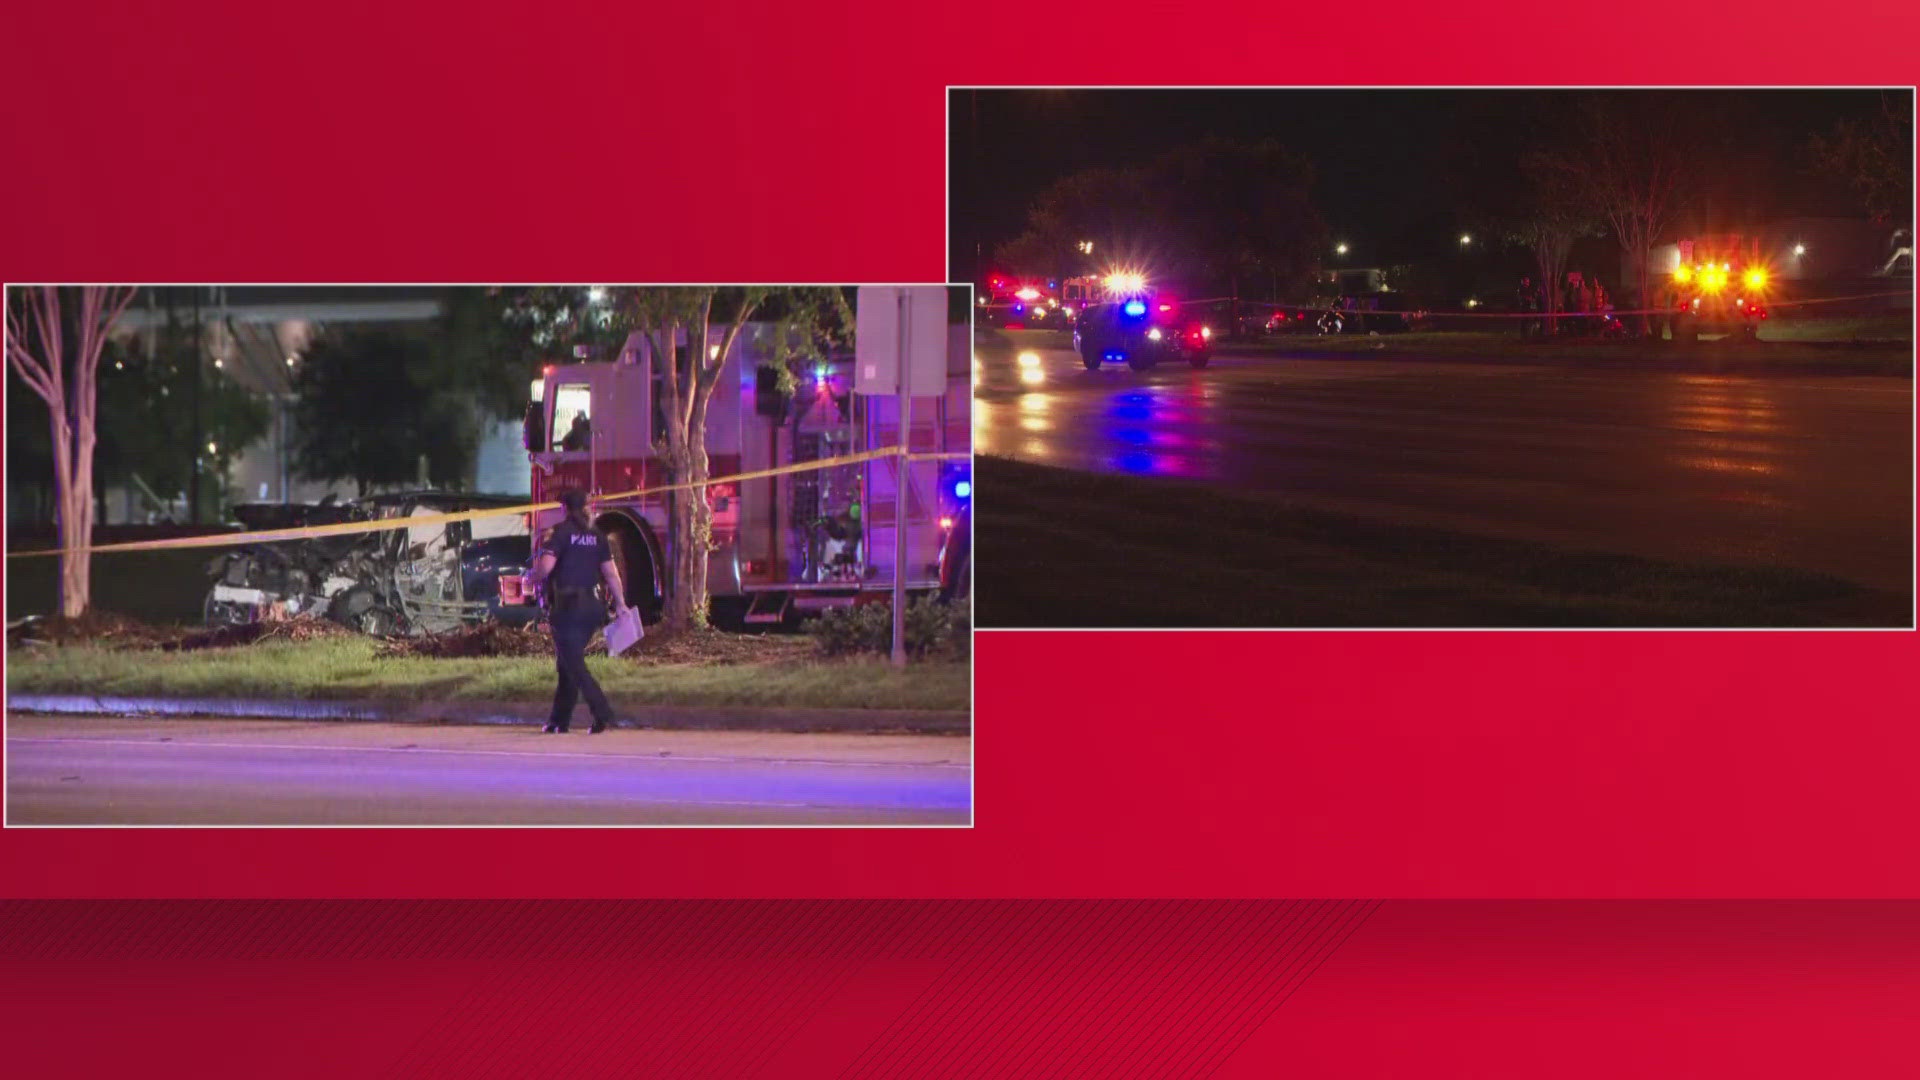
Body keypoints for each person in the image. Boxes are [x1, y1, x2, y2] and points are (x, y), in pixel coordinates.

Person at [523, 489, 629, 733]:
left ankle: (602, 712)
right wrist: (621, 603)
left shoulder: (561, 533)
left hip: (568, 607)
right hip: (593, 608)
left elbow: (545, 568)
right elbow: (611, 573)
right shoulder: (597, 535)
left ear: (564, 509)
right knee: (567, 662)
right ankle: (559, 720)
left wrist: (532, 575)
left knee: (574, 663)